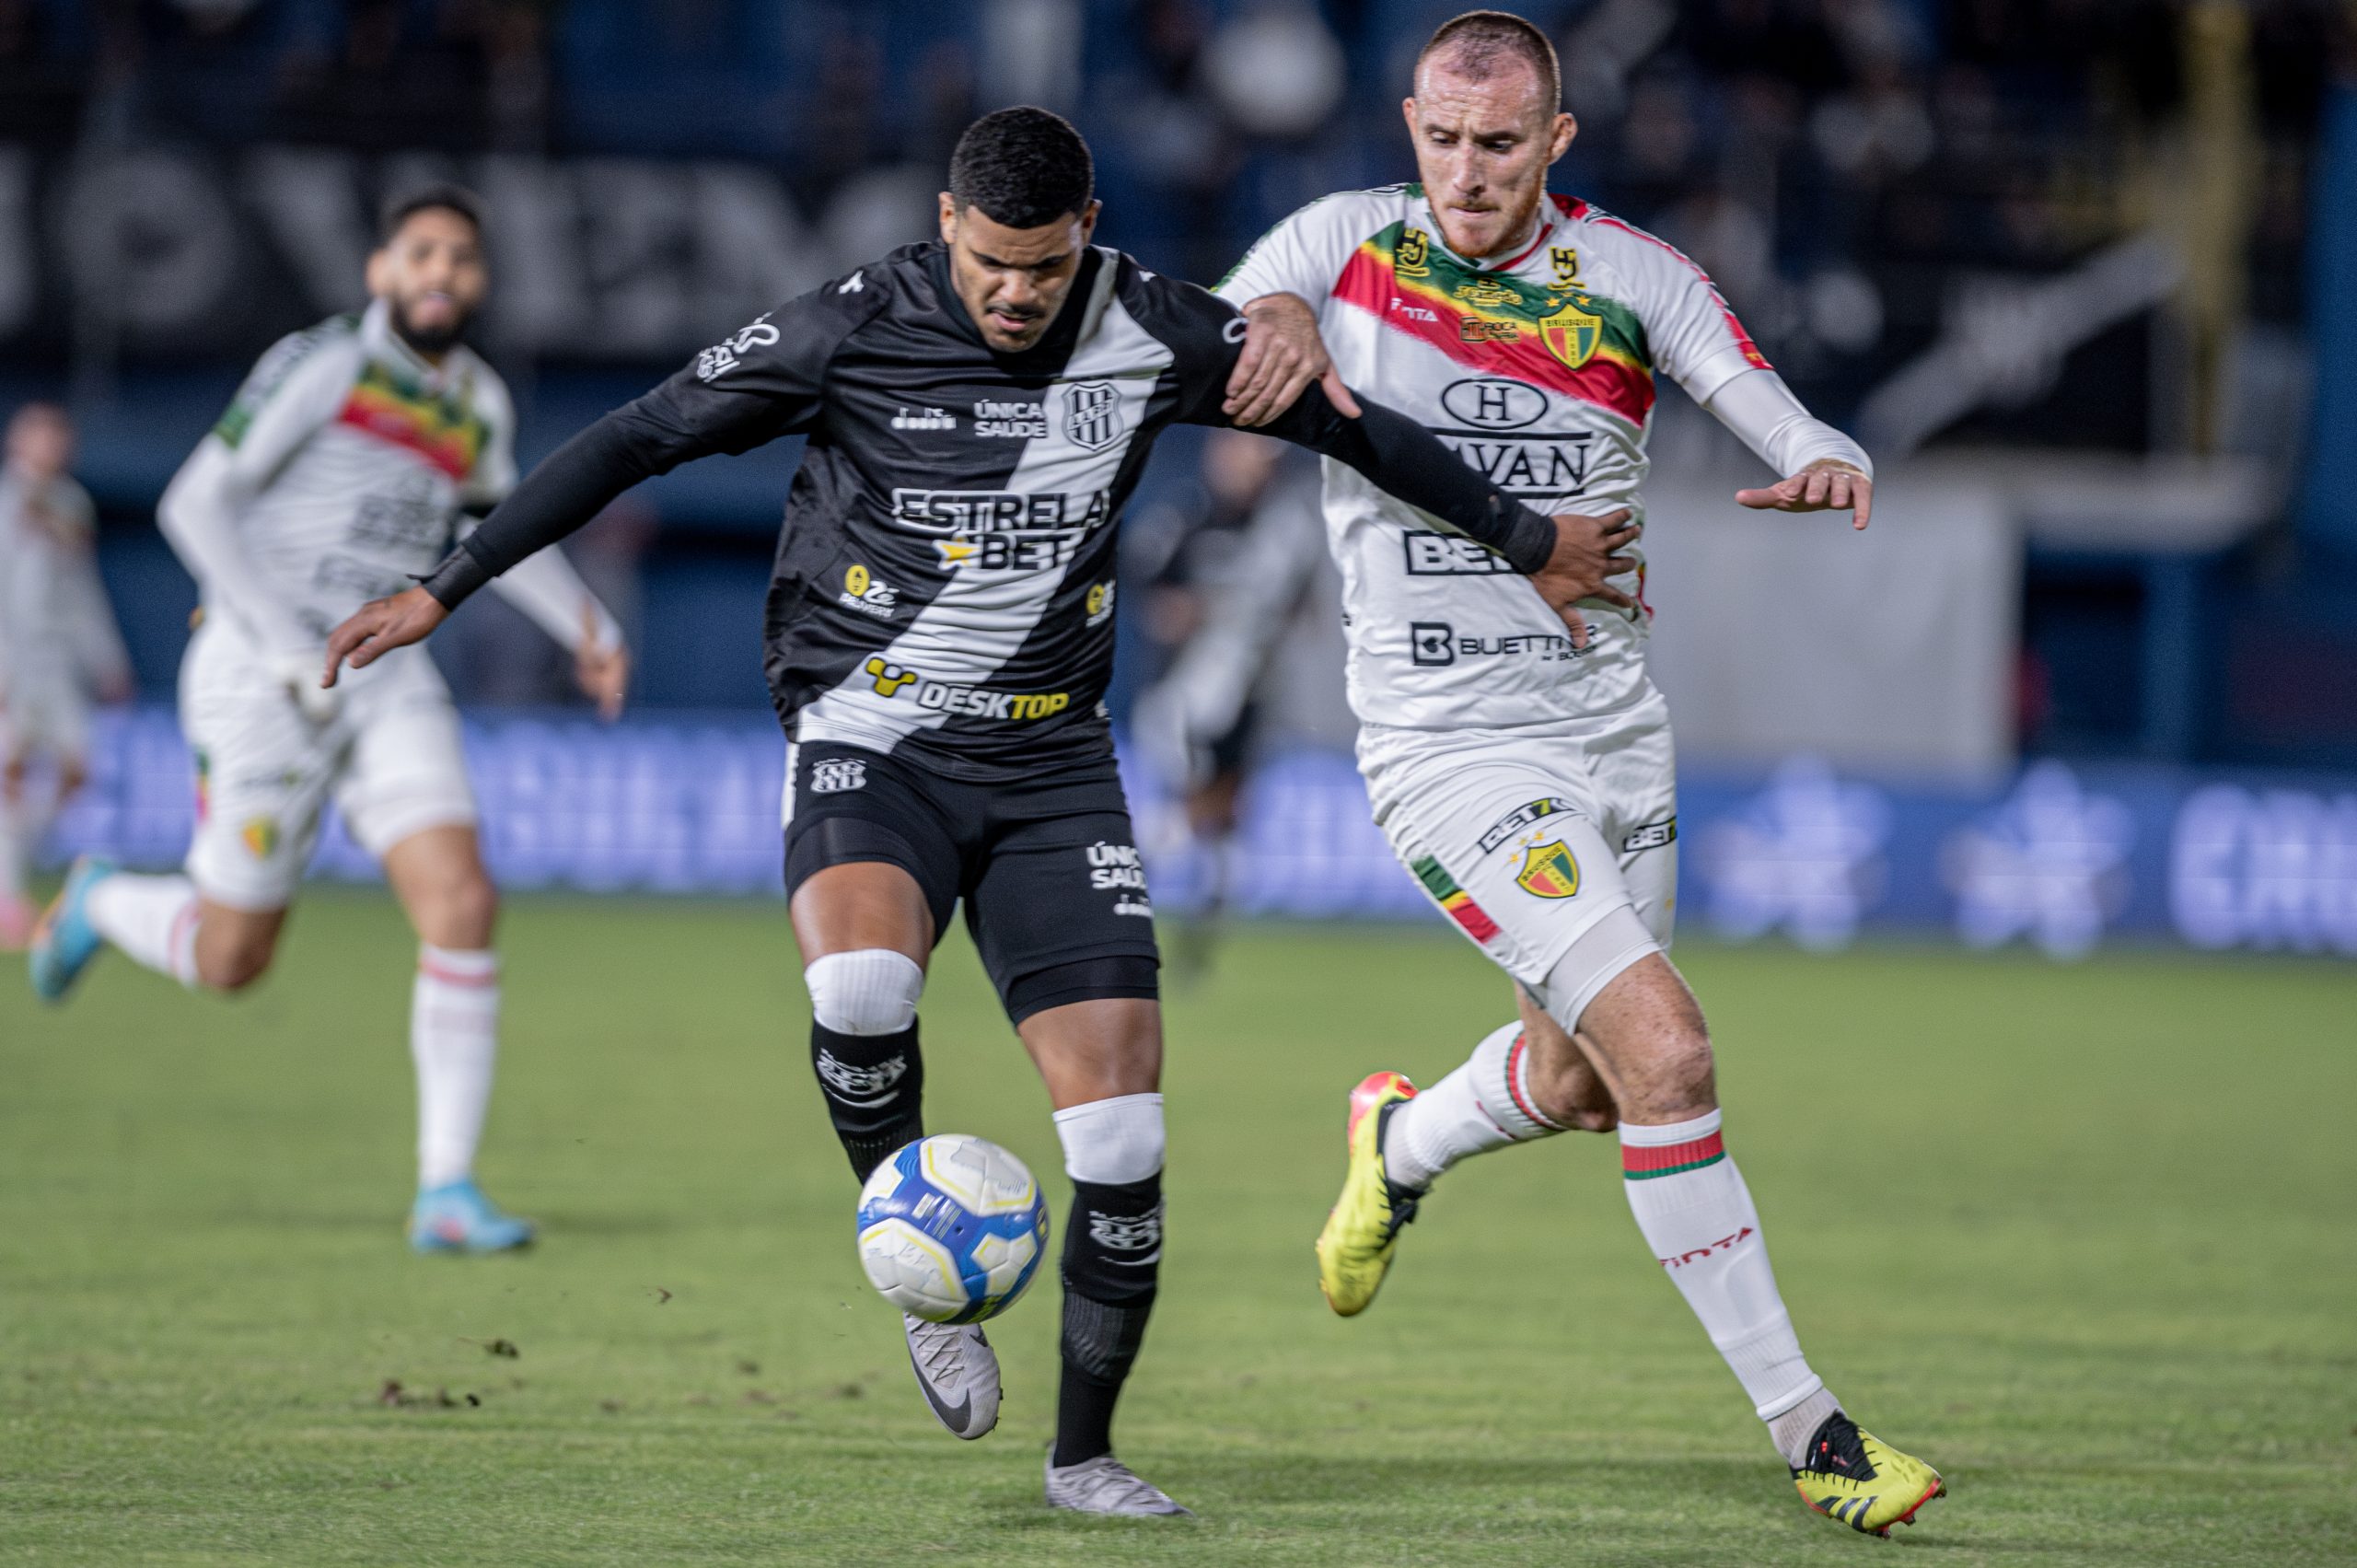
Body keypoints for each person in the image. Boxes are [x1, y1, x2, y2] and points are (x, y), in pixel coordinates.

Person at [315, 108, 1631, 1516]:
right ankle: (921, 1260)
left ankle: (1084, 1457)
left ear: (1089, 234)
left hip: (1053, 764)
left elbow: (1351, 429)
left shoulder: (1156, 328)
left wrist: (1530, 536)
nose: (1016, 292)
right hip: (870, 735)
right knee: (865, 981)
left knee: (1122, 1140)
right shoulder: (852, 323)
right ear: (950, 225)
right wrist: (445, 584)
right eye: (994, 263)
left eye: (1046, 267)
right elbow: (639, 438)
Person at [1213, 10, 1945, 1538]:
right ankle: (1814, 1429)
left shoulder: (1631, 276)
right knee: (1669, 1051)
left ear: (1558, 141)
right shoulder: (1336, 245)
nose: (1468, 175)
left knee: (1584, 1082)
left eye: (1501, 145)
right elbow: (1217, 333)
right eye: (1443, 140)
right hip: (1448, 747)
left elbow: (1754, 387)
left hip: (1612, 726)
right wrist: (1255, 336)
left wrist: (1825, 451)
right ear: (1409, 125)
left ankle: (1397, 1138)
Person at [29, 187, 632, 1256]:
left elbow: (497, 528)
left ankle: (445, 1188)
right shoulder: (323, 365)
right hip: (262, 675)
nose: (442, 271)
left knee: (461, 898)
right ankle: (100, 899)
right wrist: (270, 642)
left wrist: (586, 622)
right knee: (231, 959)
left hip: (387, 670)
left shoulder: (477, 401)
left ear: (480, 281)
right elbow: (192, 503)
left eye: (462, 257)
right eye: (423, 252)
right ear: (381, 271)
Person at [0, 404, 133, 948]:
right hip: (12, 656)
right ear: (16, 441)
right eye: (40, 436)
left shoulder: (71, 503)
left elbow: (82, 588)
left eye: (59, 437)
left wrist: (109, 659)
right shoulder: (6, 501)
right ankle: (9, 897)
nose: (51, 447)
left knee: (78, 771)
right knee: (10, 770)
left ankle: (15, 866)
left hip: (59, 663)